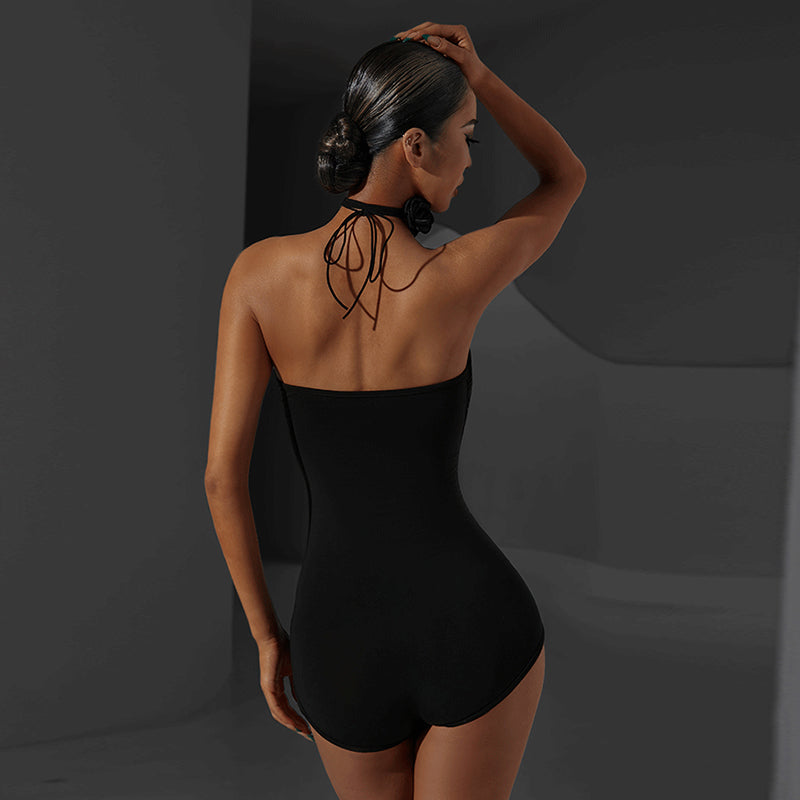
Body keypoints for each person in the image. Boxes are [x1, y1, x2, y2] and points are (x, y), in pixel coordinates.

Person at [204, 21, 586, 800]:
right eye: (466, 138)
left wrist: (268, 636)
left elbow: (221, 480)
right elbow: (563, 176)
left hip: (336, 634)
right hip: (469, 619)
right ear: (415, 145)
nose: (471, 162)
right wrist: (480, 75)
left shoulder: (257, 275)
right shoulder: (459, 274)